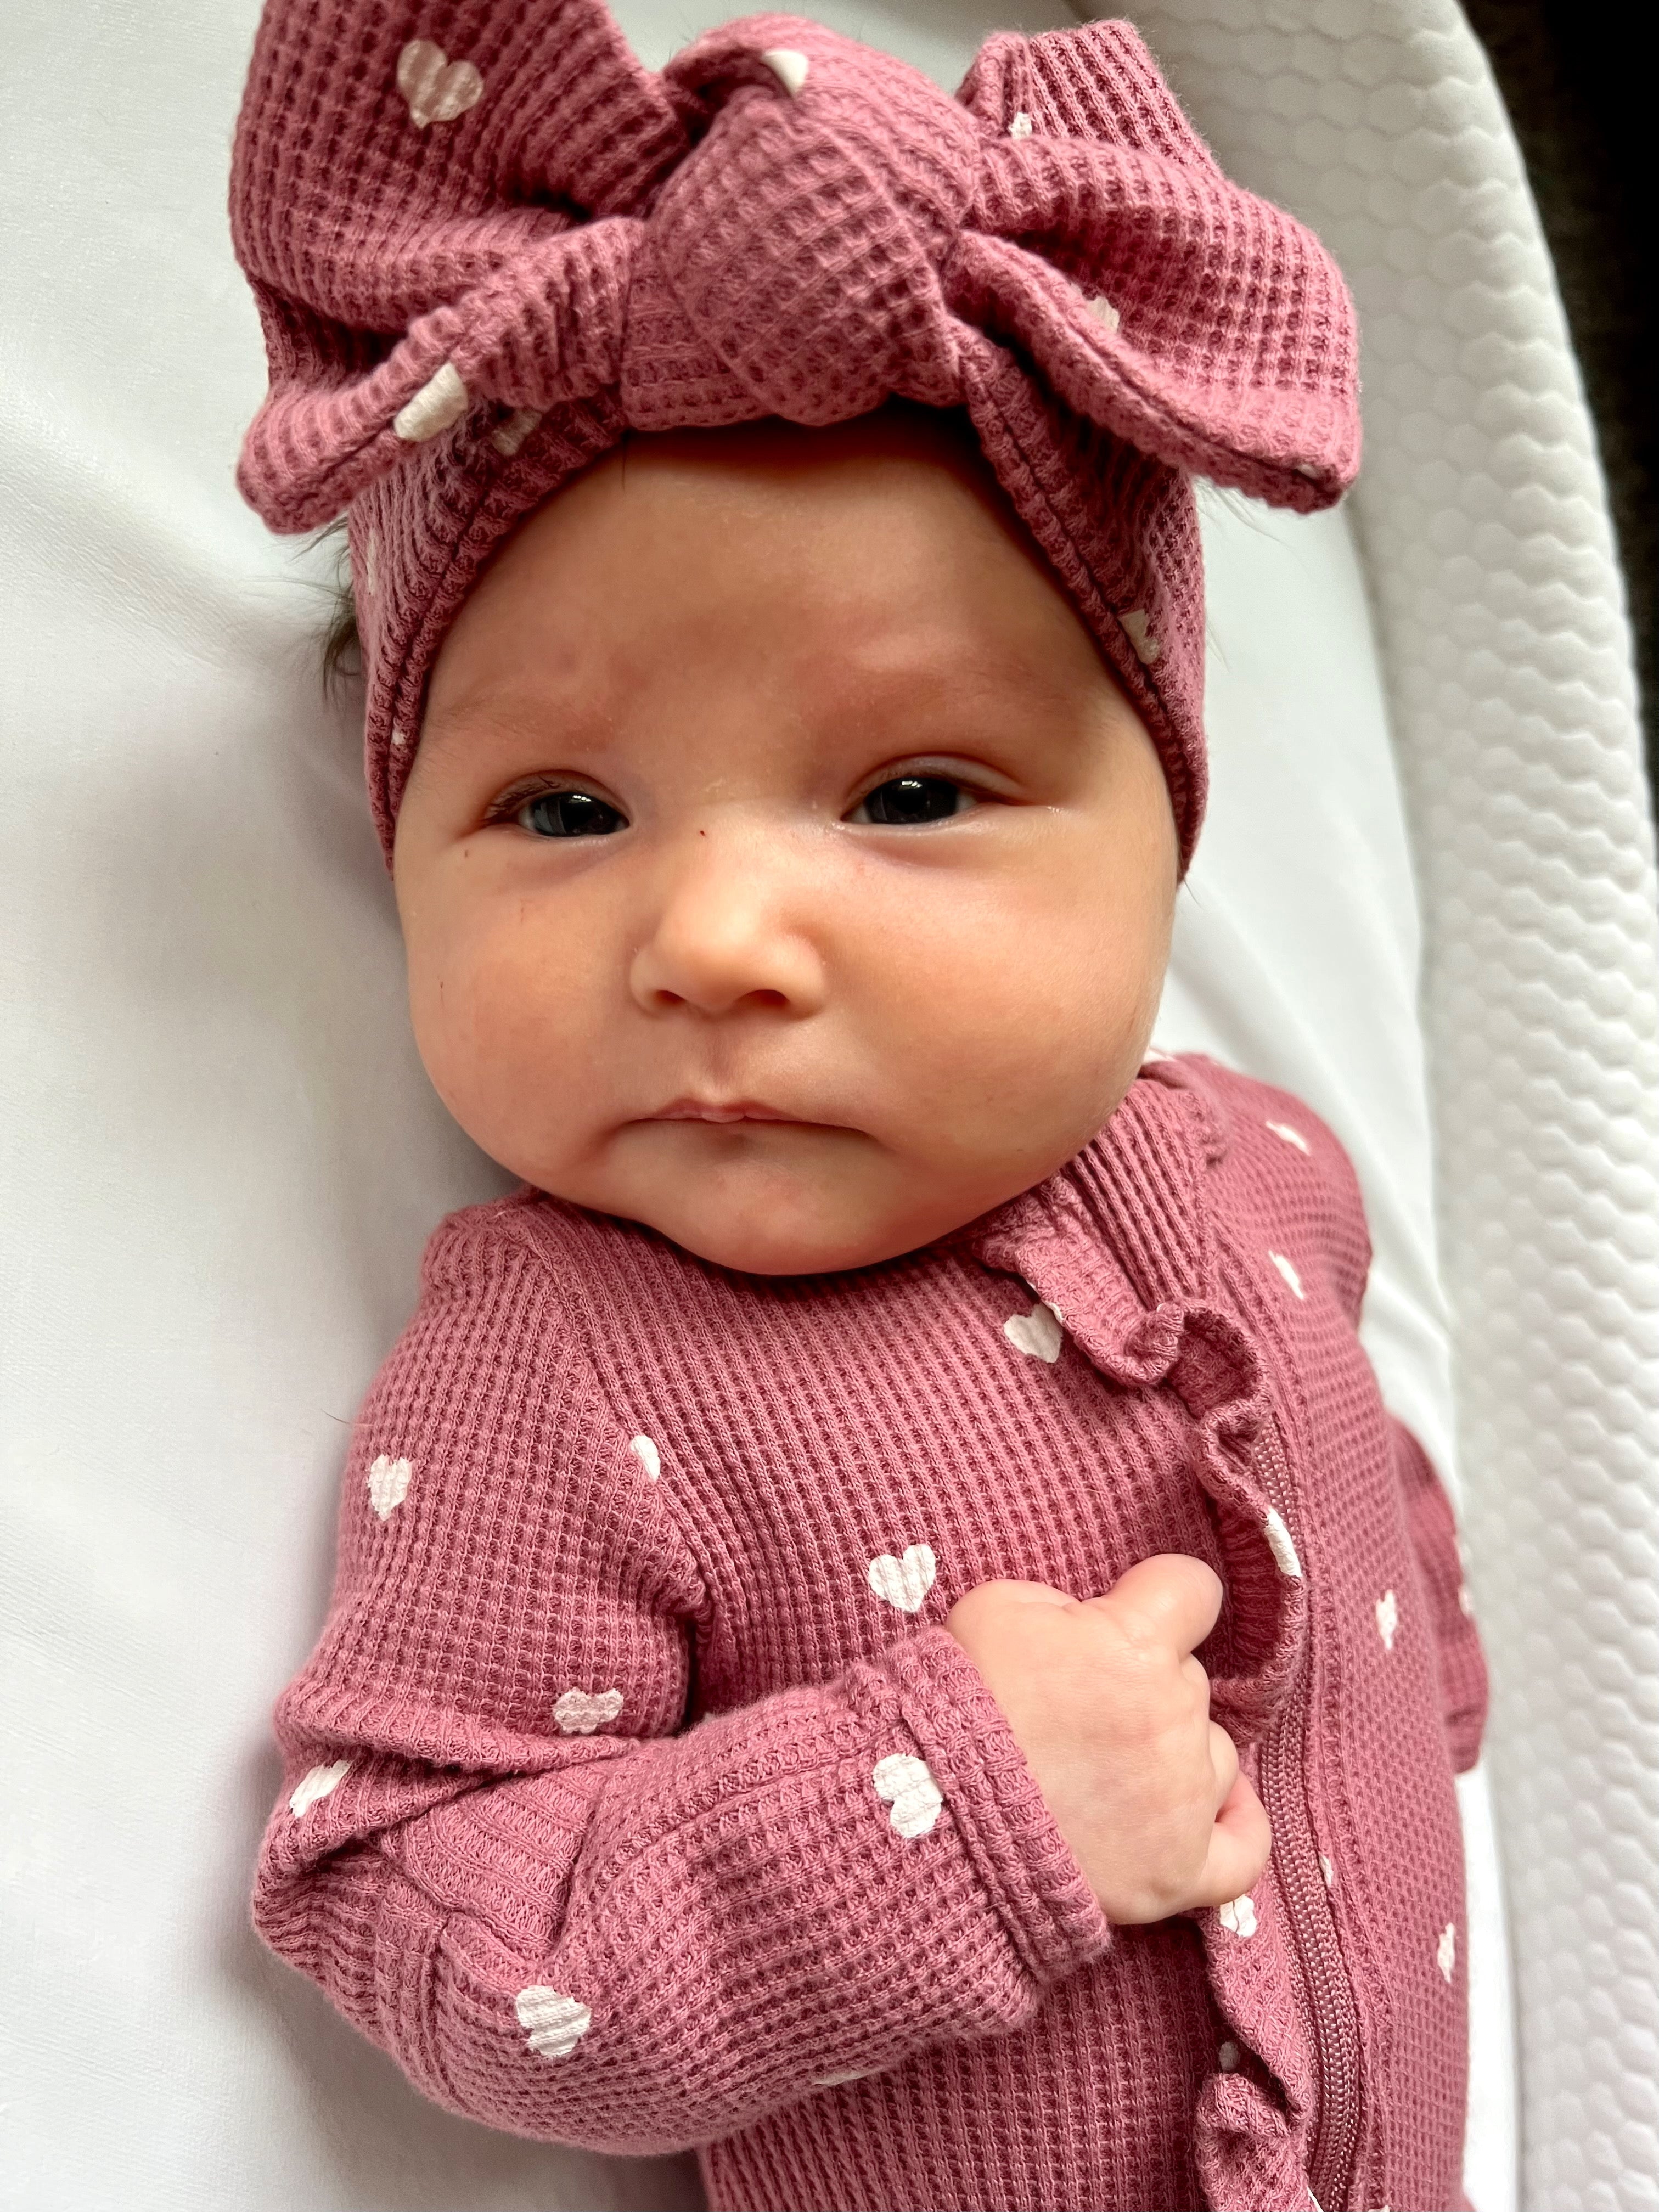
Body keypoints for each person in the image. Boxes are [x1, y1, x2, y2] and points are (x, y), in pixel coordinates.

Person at [231, 3, 1488, 2205]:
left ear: (1166, 836)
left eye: (913, 792)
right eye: (561, 809)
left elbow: (1371, 1480)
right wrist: (955, 1797)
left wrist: (1428, 1701)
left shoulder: (1271, 1168)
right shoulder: (569, 1372)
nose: (717, 931)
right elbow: (411, 1896)